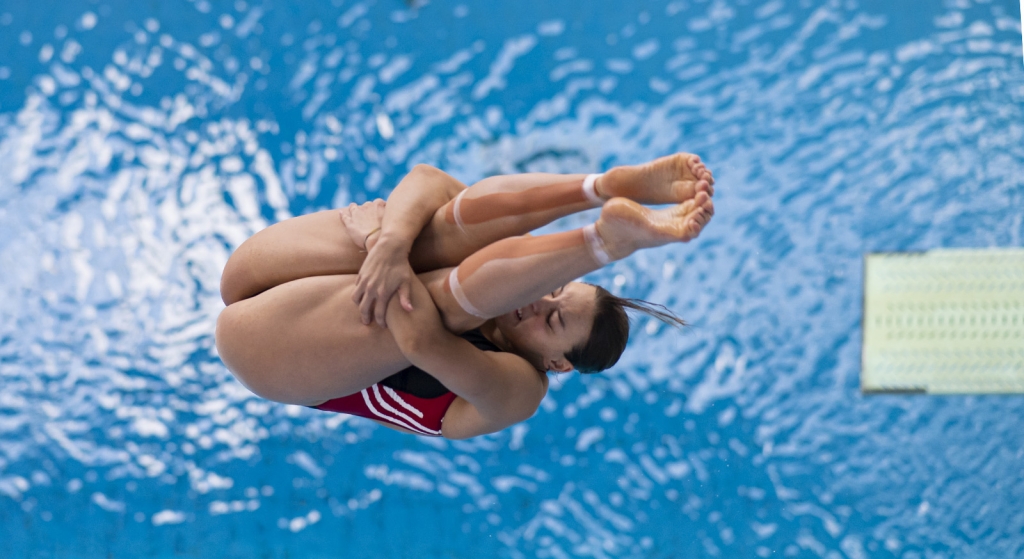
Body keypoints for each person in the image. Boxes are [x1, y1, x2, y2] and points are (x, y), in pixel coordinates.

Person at [215, 154, 715, 439]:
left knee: (444, 307)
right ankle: (602, 186)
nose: (538, 303)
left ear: (558, 364)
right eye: (555, 289)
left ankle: (603, 243)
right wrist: (393, 243)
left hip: (270, 353)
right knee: (440, 235)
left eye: (553, 322)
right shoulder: (508, 264)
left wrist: (376, 237)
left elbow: (422, 343)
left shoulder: (521, 391)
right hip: (256, 267)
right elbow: (428, 179)